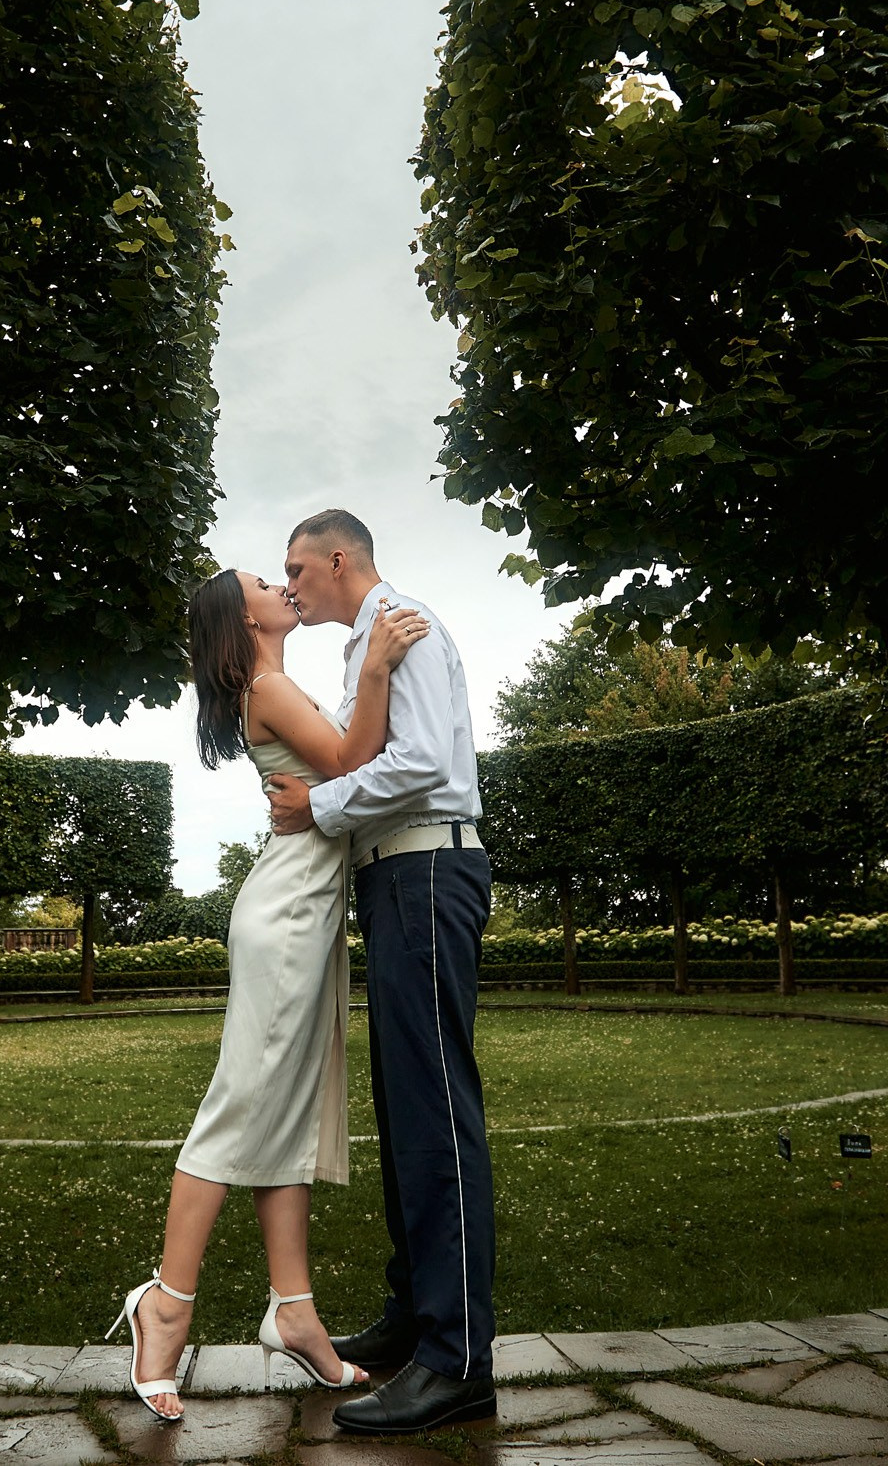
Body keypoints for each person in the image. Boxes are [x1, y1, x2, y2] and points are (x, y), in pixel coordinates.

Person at [110, 562, 432, 1421]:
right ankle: (165, 1305)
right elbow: (351, 759)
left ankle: (294, 1311)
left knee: (286, 1110)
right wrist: (373, 670)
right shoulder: (269, 684)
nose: (281, 585)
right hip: (287, 917)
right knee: (239, 1105)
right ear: (241, 616)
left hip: (307, 914)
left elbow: (336, 779)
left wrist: (342, 742)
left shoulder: (275, 683)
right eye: (264, 579)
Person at [266, 509, 498, 1435]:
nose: (289, 586)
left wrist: (318, 803)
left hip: (427, 866)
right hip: (395, 875)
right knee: (408, 1107)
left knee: (436, 1107)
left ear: (337, 558)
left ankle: (458, 1358)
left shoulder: (408, 623)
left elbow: (422, 762)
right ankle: (416, 1320)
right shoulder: (369, 642)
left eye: (296, 569)